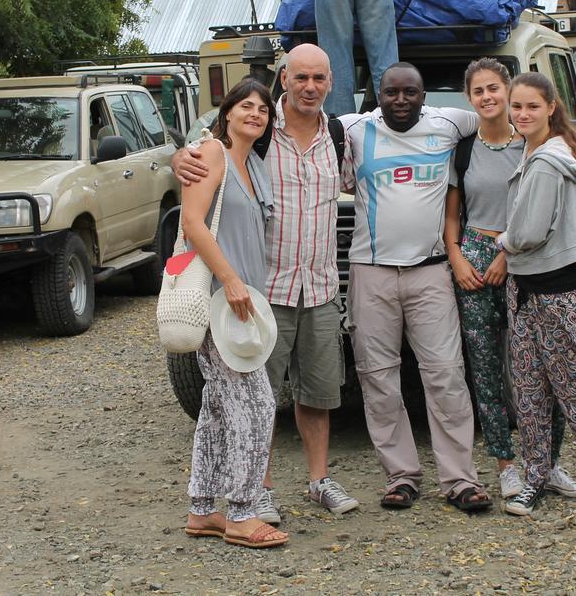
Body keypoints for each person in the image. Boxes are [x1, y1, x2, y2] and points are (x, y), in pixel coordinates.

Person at [172, 45, 360, 524]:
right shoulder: (260, 133)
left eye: (319, 78)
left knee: (318, 395)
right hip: (262, 292)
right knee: (259, 401)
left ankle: (318, 481)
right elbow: (208, 151)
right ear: (284, 79)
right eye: (300, 77)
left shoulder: (341, 134)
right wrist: (181, 156)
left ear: (331, 82)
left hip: (319, 287)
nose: (310, 86)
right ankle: (259, 491)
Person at [341, 62, 492, 512]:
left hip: (431, 272)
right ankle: (401, 476)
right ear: (376, 95)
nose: (400, 100)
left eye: (410, 92)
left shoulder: (450, 122)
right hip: (371, 272)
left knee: (445, 375)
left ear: (425, 96)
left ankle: (460, 479)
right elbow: (287, 119)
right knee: (378, 378)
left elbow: (504, 116)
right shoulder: (353, 127)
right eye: (391, 93)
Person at [442, 59, 576, 504]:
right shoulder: (463, 149)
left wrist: (508, 254)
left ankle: (549, 463)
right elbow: (452, 212)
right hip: (473, 257)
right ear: (469, 99)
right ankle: (506, 464)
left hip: (525, 261)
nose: (487, 97)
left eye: (494, 89)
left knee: (541, 368)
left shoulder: (532, 143)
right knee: (484, 368)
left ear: (508, 91)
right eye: (478, 91)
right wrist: (456, 256)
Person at [496, 72, 576, 519]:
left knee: (575, 388)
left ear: (551, 107)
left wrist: (502, 241)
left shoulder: (550, 161)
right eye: (517, 106)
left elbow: (528, 232)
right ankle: (537, 475)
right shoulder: (537, 153)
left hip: (558, 289)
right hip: (528, 289)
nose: (522, 114)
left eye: (532, 106)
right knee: (530, 389)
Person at [180, 80, 287, 549]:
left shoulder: (253, 164)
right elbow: (191, 222)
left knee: (218, 408)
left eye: (263, 109)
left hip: (242, 303)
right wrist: (229, 277)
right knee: (258, 405)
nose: (256, 114)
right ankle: (242, 513)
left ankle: (203, 509)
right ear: (226, 113)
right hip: (220, 299)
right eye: (247, 105)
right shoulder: (213, 152)